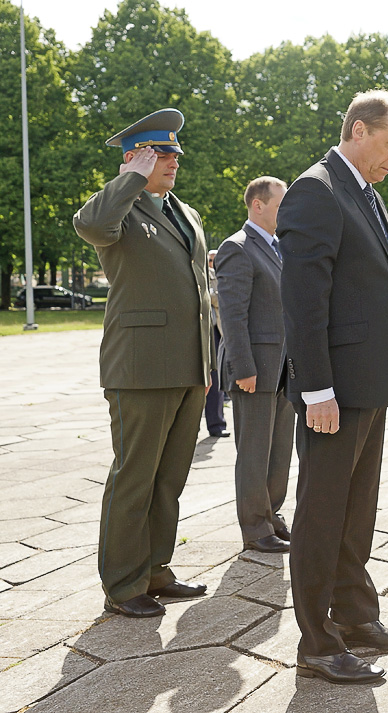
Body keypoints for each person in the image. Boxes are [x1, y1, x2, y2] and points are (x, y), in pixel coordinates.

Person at [277, 89, 388, 684]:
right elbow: (304, 303)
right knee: (322, 512)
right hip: (334, 390)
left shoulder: (363, 191)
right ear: (359, 130)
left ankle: (356, 616)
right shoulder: (316, 190)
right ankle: (316, 639)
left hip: (369, 382)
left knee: (357, 509)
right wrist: (316, 392)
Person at [73, 108, 212, 618]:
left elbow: (200, 293)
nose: (172, 161)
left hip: (187, 365)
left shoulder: (186, 213)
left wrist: (207, 362)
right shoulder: (119, 210)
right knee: (135, 474)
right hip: (141, 366)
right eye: (160, 153)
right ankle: (123, 584)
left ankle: (155, 568)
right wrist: (128, 177)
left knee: (168, 477)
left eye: (174, 152)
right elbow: (89, 225)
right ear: (135, 157)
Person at [214, 176, 294, 555]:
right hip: (255, 369)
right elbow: (232, 314)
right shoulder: (237, 248)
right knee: (254, 453)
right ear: (257, 205)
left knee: (279, 452)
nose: (287, 211)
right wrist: (243, 366)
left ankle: (271, 515)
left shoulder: (281, 247)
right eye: (281, 204)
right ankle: (254, 528)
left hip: (283, 369)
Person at [204, 249, 229, 437]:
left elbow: (222, 299)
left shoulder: (215, 275)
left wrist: (209, 296)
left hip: (215, 332)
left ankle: (217, 424)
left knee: (215, 379)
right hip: (196, 331)